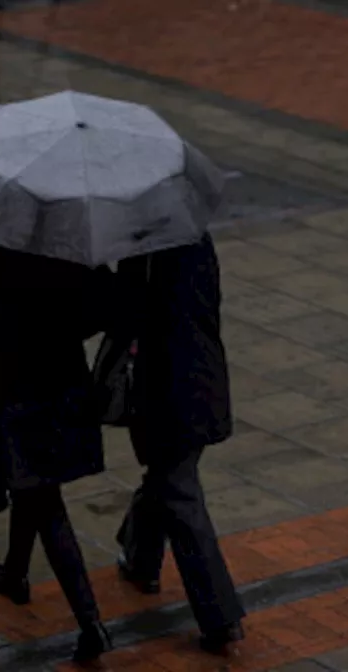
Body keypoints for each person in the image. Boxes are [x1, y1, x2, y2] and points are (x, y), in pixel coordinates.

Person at [0, 245, 114, 662]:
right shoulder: (76, 251)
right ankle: (14, 574)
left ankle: (90, 623)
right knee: (30, 487)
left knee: (43, 500)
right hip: (66, 392)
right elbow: (106, 307)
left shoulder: (0, 257)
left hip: (19, 397)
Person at [112, 233, 246, 653]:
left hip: (168, 390)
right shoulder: (197, 238)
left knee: (178, 490)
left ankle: (220, 616)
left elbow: (124, 310)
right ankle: (140, 559)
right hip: (202, 378)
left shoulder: (149, 251)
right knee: (167, 477)